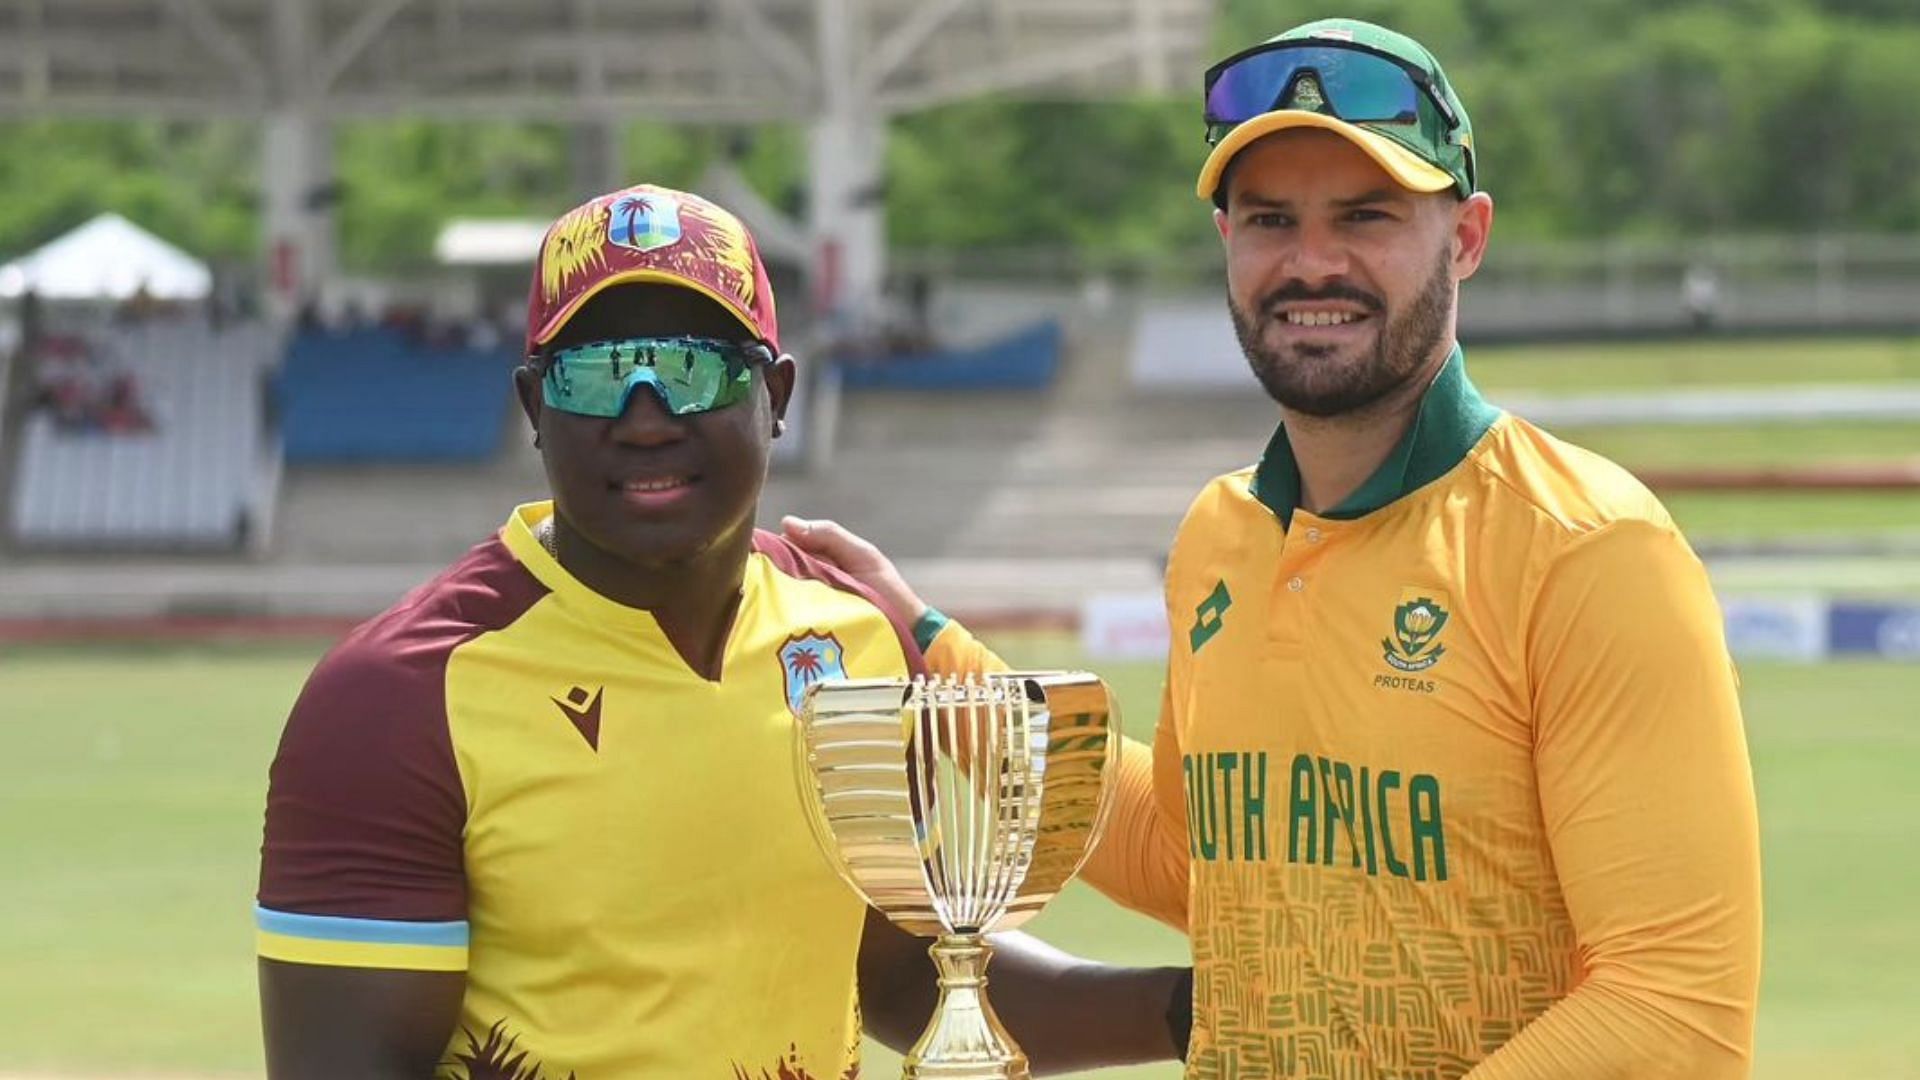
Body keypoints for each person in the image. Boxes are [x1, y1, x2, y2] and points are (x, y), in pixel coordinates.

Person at [785, 18, 1763, 1079]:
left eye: (1366, 215)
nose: (1312, 262)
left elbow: (1674, 1008)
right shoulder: (1223, 532)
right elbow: (1200, 859)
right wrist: (930, 648)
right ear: (1227, 243)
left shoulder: (1588, 549)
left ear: (1467, 237)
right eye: (1269, 219)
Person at [256, 183, 1187, 1078]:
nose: (647, 419)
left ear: (776, 396)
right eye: (597, 375)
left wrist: (1188, 1012)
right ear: (536, 408)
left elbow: (899, 976)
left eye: (695, 370)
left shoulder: (859, 641)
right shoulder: (394, 699)